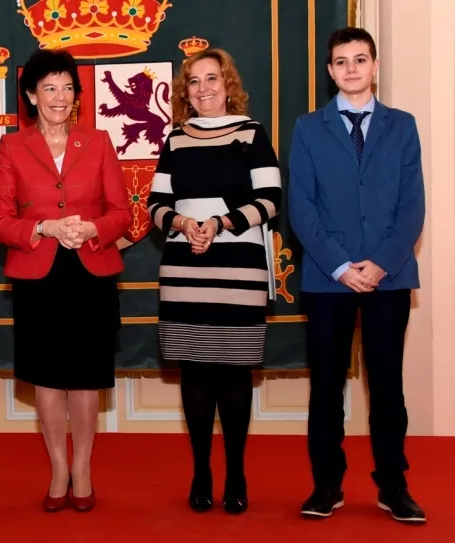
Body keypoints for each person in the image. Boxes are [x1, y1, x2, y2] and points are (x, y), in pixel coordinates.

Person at [289, 27, 426, 523]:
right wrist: (343, 265)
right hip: (329, 279)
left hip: (388, 277)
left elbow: (413, 205)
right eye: (341, 61)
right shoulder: (307, 128)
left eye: (360, 59)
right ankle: (327, 486)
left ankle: (394, 486)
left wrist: (381, 262)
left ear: (375, 65)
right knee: (325, 385)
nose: (351, 68)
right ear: (330, 71)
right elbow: (300, 206)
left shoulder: (403, 125)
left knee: (387, 385)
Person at [0, 49, 130, 513]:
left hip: (90, 271)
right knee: (47, 377)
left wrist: (91, 228)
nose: (59, 96)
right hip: (38, 273)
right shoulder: (12, 147)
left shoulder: (99, 141)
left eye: (67, 87)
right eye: (49, 87)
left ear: (77, 96)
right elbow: (0, 221)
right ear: (31, 95)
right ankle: (58, 469)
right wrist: (44, 228)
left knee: (86, 377)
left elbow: (121, 214)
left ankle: (84, 468)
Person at [147, 48, 281, 515]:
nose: (204, 89)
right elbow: (155, 207)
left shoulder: (251, 133)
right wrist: (183, 225)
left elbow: (269, 200)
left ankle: (237, 473)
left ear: (228, 85)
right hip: (185, 270)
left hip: (237, 269)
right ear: (185, 92)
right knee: (195, 372)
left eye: (212, 79)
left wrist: (221, 224)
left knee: (233, 372)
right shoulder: (175, 139)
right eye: (195, 82)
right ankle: (202, 471)